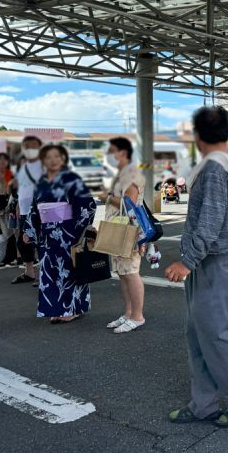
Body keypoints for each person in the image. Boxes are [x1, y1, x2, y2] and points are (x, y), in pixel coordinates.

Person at [165, 106, 228, 428]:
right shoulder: (227, 163)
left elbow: (209, 221)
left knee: (216, 335)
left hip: (212, 263)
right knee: (199, 334)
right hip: (211, 262)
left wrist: (187, 260)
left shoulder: (212, 168)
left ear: (197, 136)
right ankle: (204, 403)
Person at [23, 144, 96, 323]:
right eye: (48, 157)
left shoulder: (73, 179)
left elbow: (88, 205)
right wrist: (30, 230)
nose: (53, 160)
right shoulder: (41, 181)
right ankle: (57, 308)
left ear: (63, 159)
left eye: (57, 156)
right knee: (50, 272)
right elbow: (34, 208)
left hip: (68, 232)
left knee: (70, 271)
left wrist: (79, 231)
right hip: (48, 234)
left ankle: (73, 309)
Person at [101, 137, 146, 334]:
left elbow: (130, 202)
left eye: (112, 151)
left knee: (131, 272)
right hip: (118, 230)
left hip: (128, 230)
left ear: (123, 153)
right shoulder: (120, 174)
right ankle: (128, 313)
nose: (108, 155)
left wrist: (108, 197)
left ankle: (138, 316)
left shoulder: (132, 173)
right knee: (122, 272)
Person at [13, 136, 43, 285]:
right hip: (24, 209)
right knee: (23, 243)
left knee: (39, 242)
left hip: (36, 210)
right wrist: (18, 206)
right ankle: (29, 272)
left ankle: (43, 275)